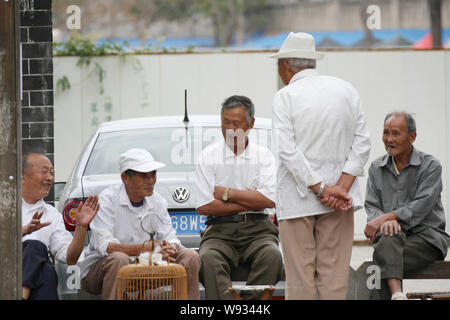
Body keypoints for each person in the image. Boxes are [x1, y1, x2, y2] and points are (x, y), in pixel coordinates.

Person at [270, 32, 371, 299]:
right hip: (340, 200)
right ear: (312, 62)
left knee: (300, 277)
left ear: (285, 66)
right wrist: (340, 187)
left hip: (297, 200)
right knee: (335, 277)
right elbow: (362, 144)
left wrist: (322, 189)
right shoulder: (346, 90)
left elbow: (286, 150)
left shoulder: (285, 96)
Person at [80, 148, 201, 300]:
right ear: (125, 178)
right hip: (98, 273)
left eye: (153, 174)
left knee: (191, 256)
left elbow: (170, 237)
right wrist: (143, 251)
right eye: (144, 176)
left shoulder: (158, 201)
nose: (151, 181)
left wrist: (169, 248)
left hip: (146, 266)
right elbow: (106, 246)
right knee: (119, 258)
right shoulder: (107, 200)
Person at [196, 95, 283, 300]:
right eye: (225, 122)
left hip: (259, 231)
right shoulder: (208, 157)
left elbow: (269, 201)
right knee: (208, 258)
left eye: (236, 123)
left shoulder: (264, 157)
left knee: (272, 255)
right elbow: (204, 206)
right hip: (219, 231)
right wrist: (250, 201)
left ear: (251, 123)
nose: (230, 129)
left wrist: (228, 194)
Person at [364, 112, 450, 300]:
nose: (389, 139)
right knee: (387, 242)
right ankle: (397, 295)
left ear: (412, 137)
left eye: (396, 133)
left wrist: (389, 218)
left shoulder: (430, 166)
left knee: (379, 263)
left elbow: (422, 205)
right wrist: (385, 222)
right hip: (390, 239)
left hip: (427, 238)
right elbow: (372, 206)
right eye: (386, 133)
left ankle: (396, 294)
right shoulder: (376, 168)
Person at [21, 152, 99, 300]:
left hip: (35, 279)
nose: (50, 178)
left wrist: (81, 227)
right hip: (7, 268)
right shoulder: (6, 205)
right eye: (44, 172)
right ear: (23, 176)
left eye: (52, 172)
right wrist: (24, 231)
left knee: (46, 271)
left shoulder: (51, 214)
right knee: (34, 247)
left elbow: (70, 257)